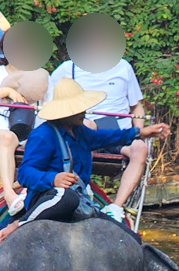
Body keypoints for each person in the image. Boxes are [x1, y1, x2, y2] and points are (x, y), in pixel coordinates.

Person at [12, 77, 168, 227]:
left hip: (78, 197)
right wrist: (53, 179)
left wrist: (140, 132)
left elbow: (105, 137)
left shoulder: (80, 131)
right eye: (78, 110)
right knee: (68, 198)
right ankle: (20, 224)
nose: (83, 112)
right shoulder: (43, 135)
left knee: (124, 233)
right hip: (49, 197)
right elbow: (25, 173)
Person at [46, 53, 149, 225]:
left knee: (140, 148)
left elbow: (136, 105)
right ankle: (81, 186)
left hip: (116, 131)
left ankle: (116, 206)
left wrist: (140, 131)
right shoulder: (67, 68)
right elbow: (50, 100)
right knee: (86, 126)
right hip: (85, 129)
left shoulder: (123, 67)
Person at [0, 61, 48, 213]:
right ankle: (9, 193)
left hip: (30, 133)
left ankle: (30, 187)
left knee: (40, 140)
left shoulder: (39, 76)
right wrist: (6, 91)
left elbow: (50, 104)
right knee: (8, 137)